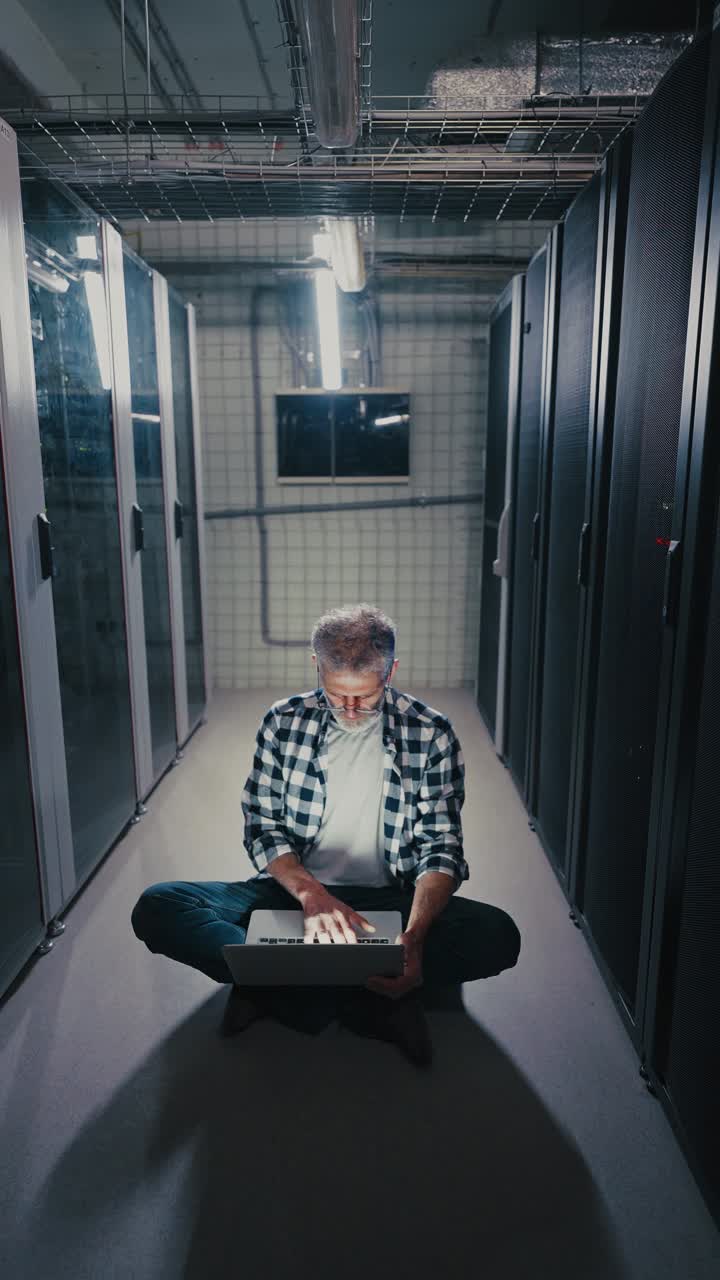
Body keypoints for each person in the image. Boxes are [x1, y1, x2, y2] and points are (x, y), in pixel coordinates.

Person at [131, 604, 521, 1067]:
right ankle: (372, 1000)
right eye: (337, 697)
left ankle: (277, 988)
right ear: (317, 668)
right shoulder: (283, 721)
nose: (351, 711)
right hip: (296, 897)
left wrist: (413, 937)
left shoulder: (432, 732)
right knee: (160, 905)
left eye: (367, 697)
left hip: (388, 903)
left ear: (391, 671)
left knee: (498, 935)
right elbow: (263, 826)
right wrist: (312, 895)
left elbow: (441, 848)